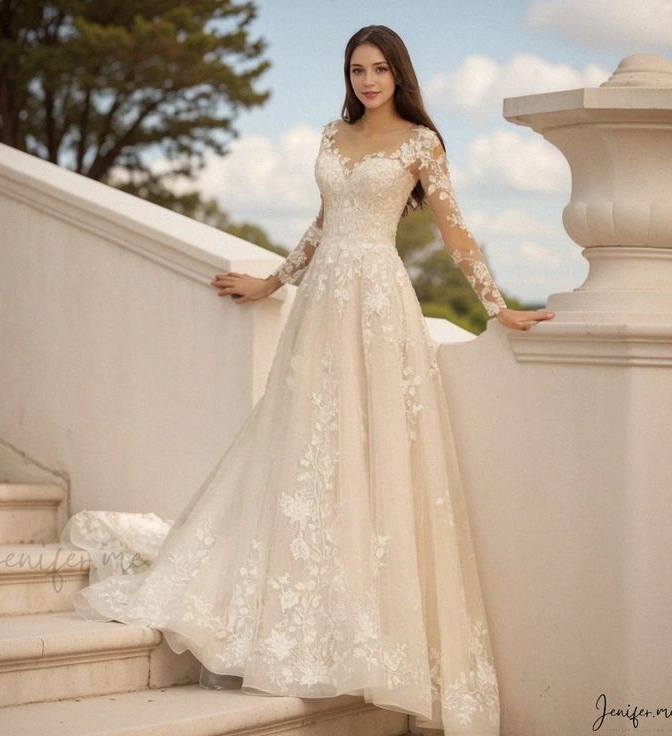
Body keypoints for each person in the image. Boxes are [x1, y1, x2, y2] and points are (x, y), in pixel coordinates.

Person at [61, 24, 555, 736]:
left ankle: (362, 622)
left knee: (374, 455)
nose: (368, 80)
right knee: (304, 453)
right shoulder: (332, 134)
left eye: (380, 69)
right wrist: (273, 279)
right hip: (322, 307)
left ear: (399, 74)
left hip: (380, 305)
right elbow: (324, 225)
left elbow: (455, 232)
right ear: (347, 75)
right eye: (357, 69)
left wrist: (498, 306)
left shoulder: (421, 142)